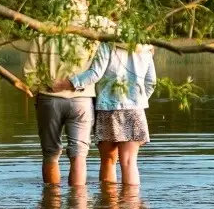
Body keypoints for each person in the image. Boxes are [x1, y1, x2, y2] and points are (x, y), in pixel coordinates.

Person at [51, 40, 156, 186]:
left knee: (108, 161)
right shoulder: (146, 47)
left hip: (107, 109)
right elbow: (151, 82)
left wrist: (69, 83)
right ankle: (132, 206)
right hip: (135, 110)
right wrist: (138, 100)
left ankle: (108, 205)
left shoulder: (107, 44)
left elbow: (95, 73)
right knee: (130, 162)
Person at [23, 0, 97, 186]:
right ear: (84, 5)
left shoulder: (44, 30)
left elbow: (29, 71)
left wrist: (41, 90)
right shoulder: (92, 32)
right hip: (82, 98)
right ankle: (79, 208)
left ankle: (51, 207)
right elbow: (99, 68)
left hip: (49, 99)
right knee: (79, 155)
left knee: (50, 154)